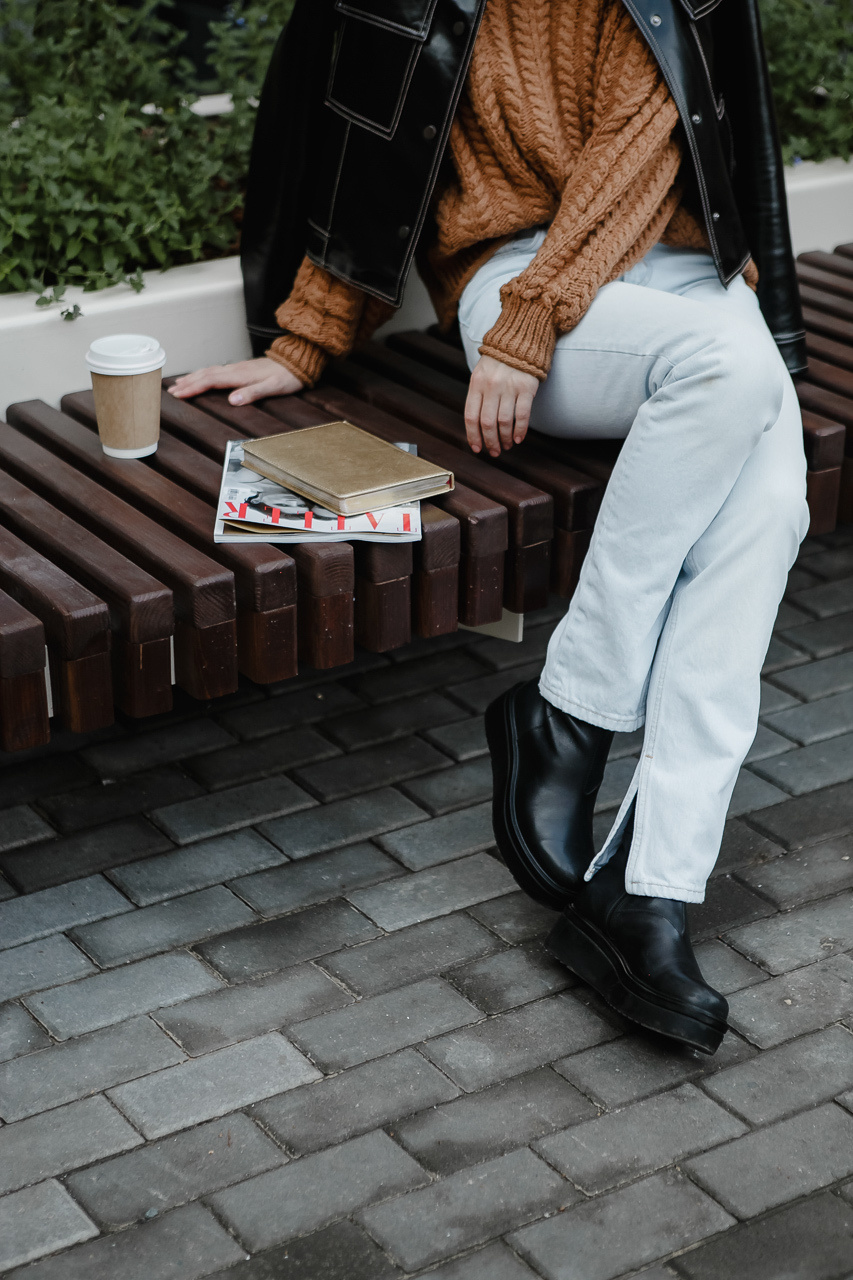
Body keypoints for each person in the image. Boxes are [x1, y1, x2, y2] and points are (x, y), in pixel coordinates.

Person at [170, 0, 808, 1054]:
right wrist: (305, 343)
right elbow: (369, 156)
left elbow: (643, 148)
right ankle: (569, 718)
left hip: (681, 276)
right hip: (519, 278)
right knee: (731, 373)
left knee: (770, 503)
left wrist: (532, 323)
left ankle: (647, 887)